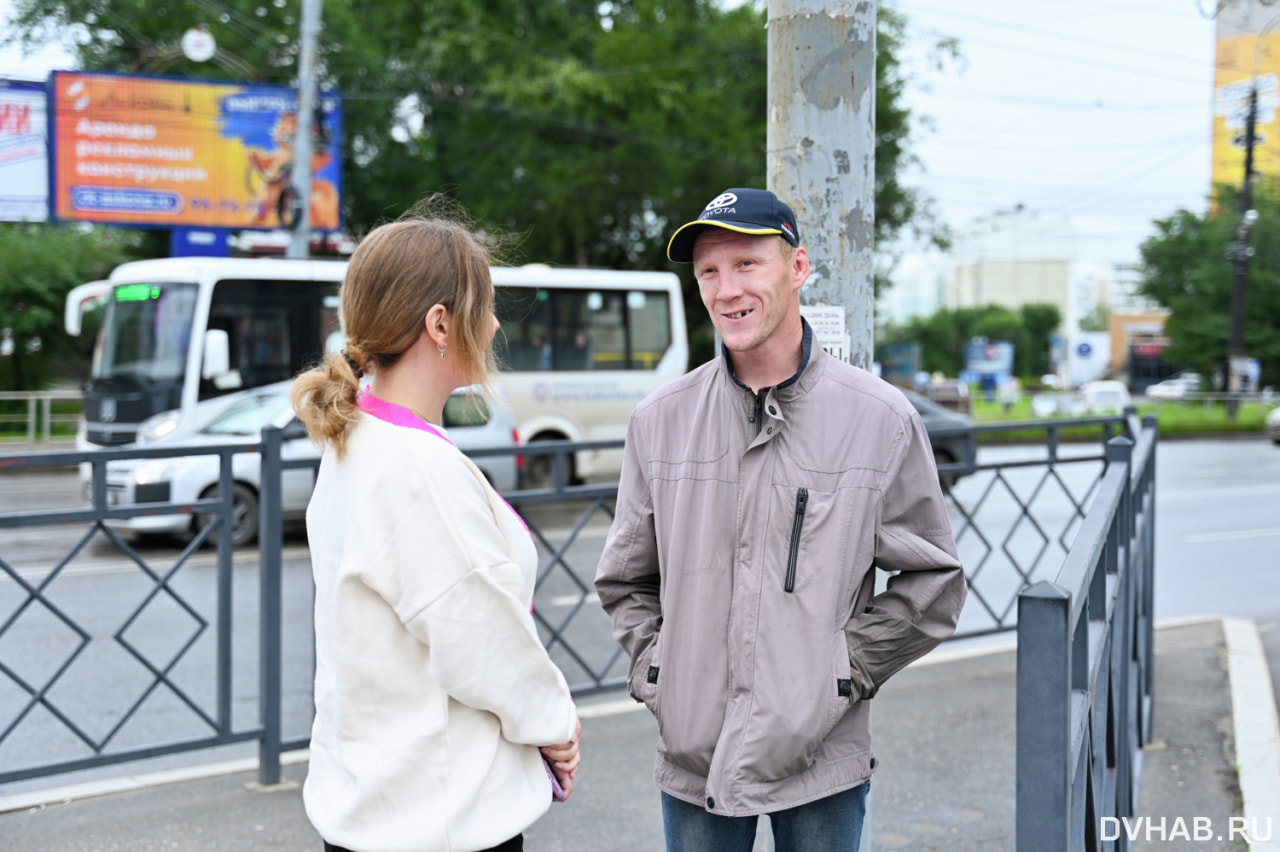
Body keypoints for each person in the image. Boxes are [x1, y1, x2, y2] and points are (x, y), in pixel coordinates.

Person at [594, 188, 967, 851]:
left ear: (797, 268)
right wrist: (660, 674)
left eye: (746, 264)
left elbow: (933, 581)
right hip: (695, 759)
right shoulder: (660, 420)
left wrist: (841, 673)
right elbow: (625, 581)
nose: (725, 288)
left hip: (821, 760)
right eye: (709, 271)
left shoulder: (878, 419)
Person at [292, 207, 581, 852]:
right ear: (441, 324)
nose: (498, 323)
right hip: (439, 817)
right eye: (487, 304)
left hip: (377, 800)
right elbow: (480, 638)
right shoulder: (415, 465)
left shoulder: (354, 442)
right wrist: (555, 725)